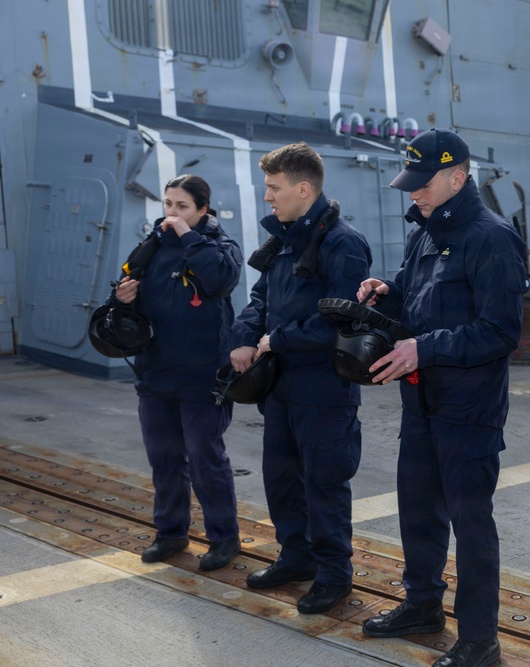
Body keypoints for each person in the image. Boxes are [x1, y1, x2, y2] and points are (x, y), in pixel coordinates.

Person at [356, 128, 526, 667]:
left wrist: (423, 349)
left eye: (423, 183)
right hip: (421, 402)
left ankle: (479, 638)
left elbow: (501, 331)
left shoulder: (492, 238)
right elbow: (415, 298)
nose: (414, 193)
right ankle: (422, 604)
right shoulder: (425, 231)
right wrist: (386, 293)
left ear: (457, 177)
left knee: (470, 524)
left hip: (469, 410)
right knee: (417, 510)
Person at [230, 142, 372, 614]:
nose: (267, 197)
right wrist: (245, 337)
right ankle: (296, 558)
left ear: (304, 189)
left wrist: (278, 339)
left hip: (324, 391)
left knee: (324, 486)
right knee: (282, 481)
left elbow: (341, 320)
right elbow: (260, 297)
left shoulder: (343, 243)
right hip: (281, 390)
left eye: (274, 188)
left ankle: (333, 575)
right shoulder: (285, 239)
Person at [109, 174, 244, 571]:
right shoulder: (150, 248)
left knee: (206, 459)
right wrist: (122, 298)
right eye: (168, 204)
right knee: (164, 459)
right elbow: (124, 298)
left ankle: (224, 537)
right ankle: (170, 532)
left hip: (203, 375)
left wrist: (188, 236)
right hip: (157, 373)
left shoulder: (221, 248)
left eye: (182, 206)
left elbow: (220, 279)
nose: (172, 212)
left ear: (203, 209)